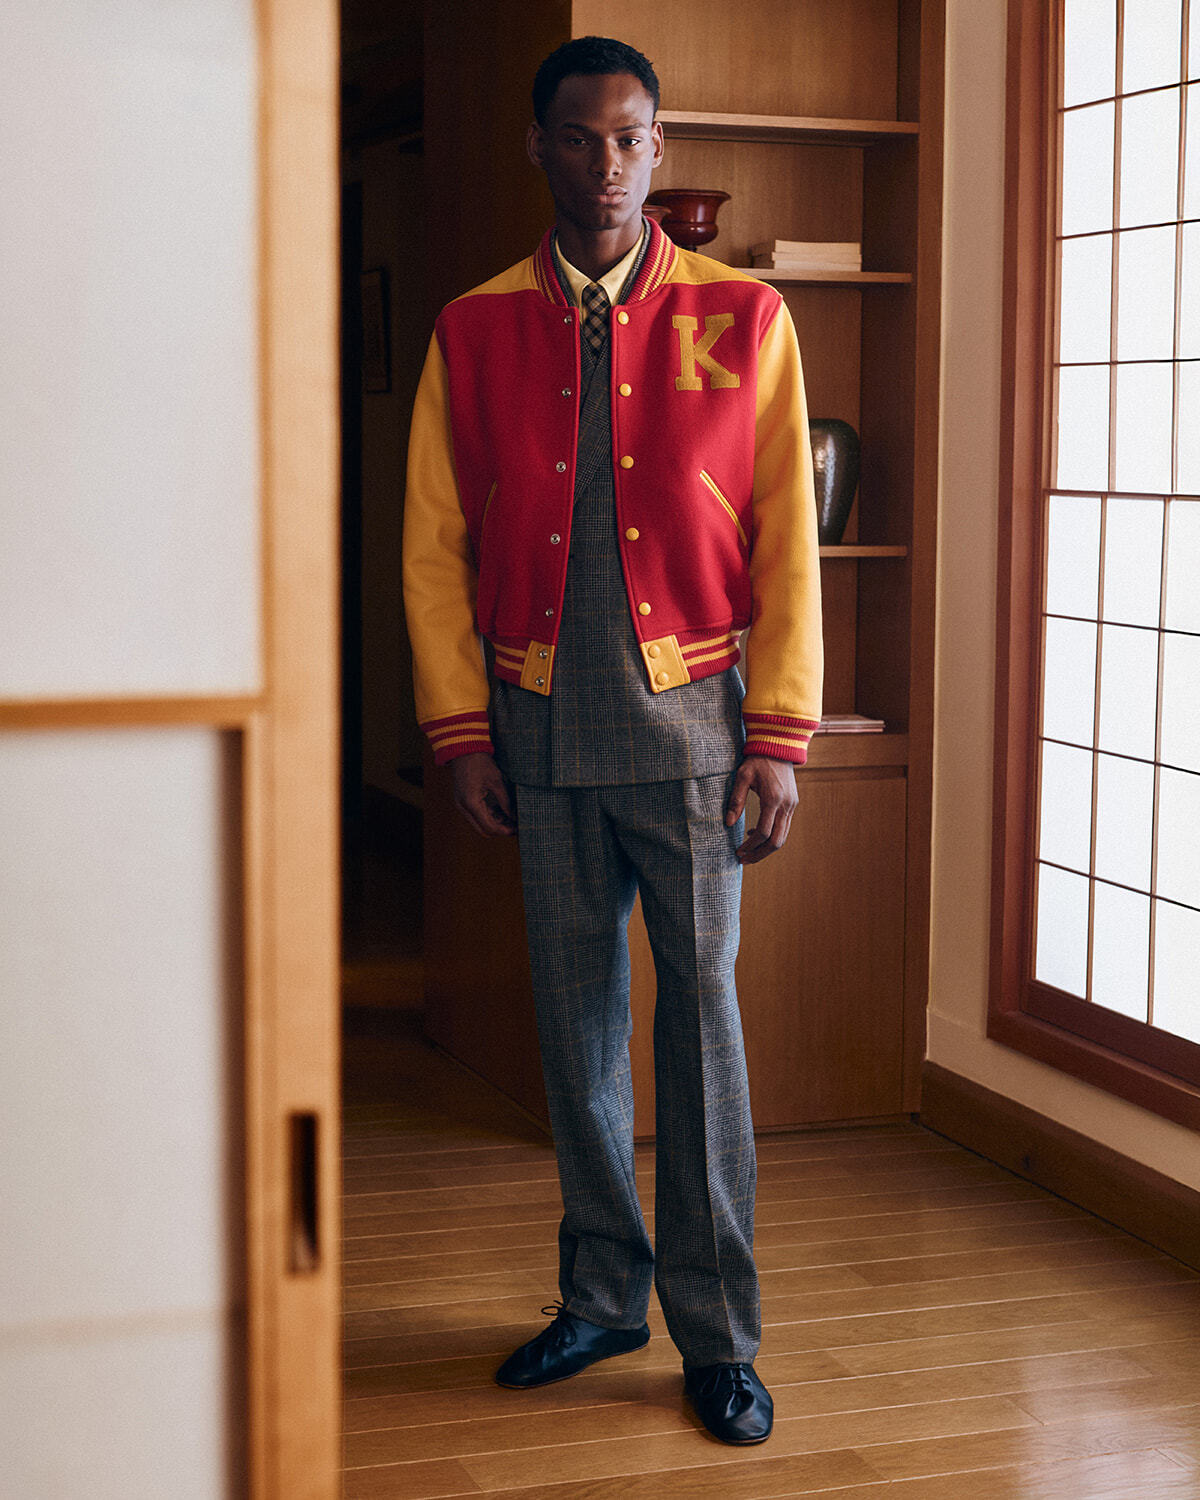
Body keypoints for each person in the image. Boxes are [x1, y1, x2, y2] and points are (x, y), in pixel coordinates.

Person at [403, 35, 822, 1446]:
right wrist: (461, 731)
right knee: (574, 1033)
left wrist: (778, 738)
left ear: (660, 147)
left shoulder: (748, 319)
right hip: (534, 731)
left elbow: (790, 548)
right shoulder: (471, 327)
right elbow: (433, 545)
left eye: (629, 138)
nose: (604, 162)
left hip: (698, 733)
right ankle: (599, 1296)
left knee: (701, 1032)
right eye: (578, 137)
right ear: (541, 146)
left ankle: (721, 1335)